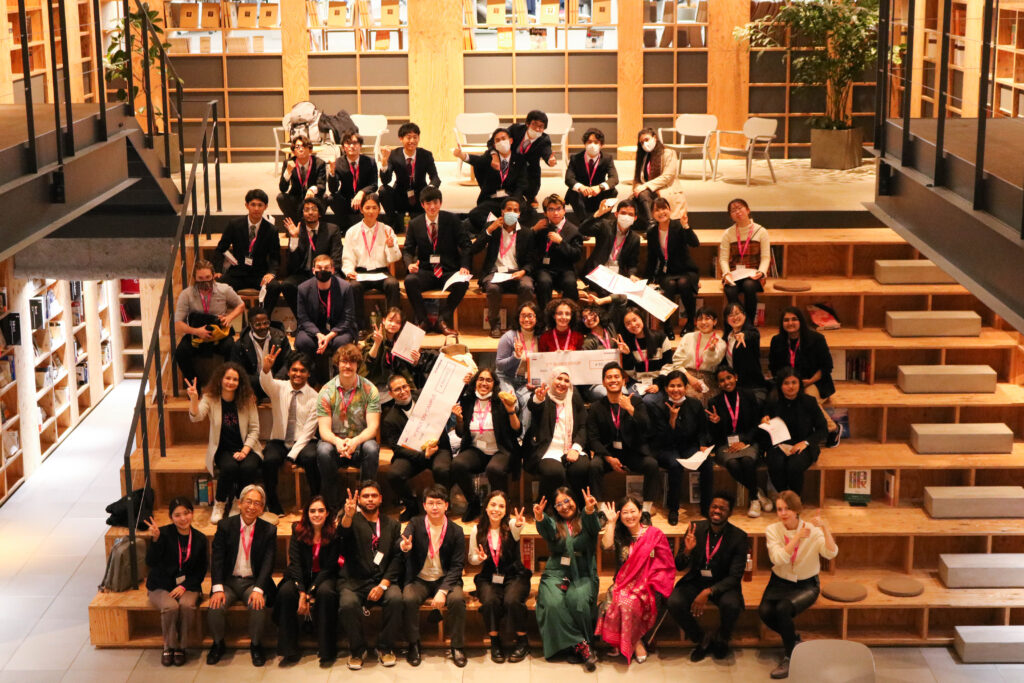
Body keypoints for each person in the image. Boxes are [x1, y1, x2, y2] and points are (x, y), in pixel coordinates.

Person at [761, 491, 838, 679]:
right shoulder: (772, 530)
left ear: (796, 510)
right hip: (780, 580)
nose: (783, 513)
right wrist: (796, 538)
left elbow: (830, 553)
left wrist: (826, 530)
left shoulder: (812, 530)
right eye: (779, 509)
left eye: (787, 509)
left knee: (782, 609)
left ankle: (790, 656)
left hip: (806, 583)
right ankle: (794, 640)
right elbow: (778, 559)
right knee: (764, 611)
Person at [666, 491, 748, 663]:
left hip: (723, 583)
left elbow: (734, 577)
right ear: (709, 508)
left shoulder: (739, 537)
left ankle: (722, 638)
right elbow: (679, 565)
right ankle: (701, 638)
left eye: (722, 509)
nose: (717, 511)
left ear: (730, 512)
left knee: (732, 605)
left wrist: (708, 592)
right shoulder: (695, 528)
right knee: (674, 601)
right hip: (696, 580)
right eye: (714, 507)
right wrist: (687, 551)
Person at [595, 495, 675, 664]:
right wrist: (610, 523)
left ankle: (635, 642)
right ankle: (634, 642)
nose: (629, 516)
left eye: (633, 511)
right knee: (612, 604)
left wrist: (648, 582)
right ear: (620, 515)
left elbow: (665, 563)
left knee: (627, 603)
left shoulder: (654, 534)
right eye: (625, 512)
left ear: (640, 513)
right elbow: (605, 546)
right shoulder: (619, 534)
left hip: (648, 584)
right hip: (622, 583)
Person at [206, 484, 277, 667]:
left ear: (262, 509)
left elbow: (268, 563)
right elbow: (217, 559)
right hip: (228, 581)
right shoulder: (225, 526)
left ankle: (256, 645)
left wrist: (260, 589)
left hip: (252, 581)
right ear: (240, 502)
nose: (252, 507)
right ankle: (218, 644)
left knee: (258, 604)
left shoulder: (268, 530)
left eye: (257, 504)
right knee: (214, 606)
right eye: (248, 501)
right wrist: (217, 588)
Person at [337, 482, 405, 669]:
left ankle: (384, 647)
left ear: (381, 499)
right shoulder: (351, 520)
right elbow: (342, 534)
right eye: (365, 496)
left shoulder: (392, 524)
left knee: (396, 599)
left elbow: (397, 558)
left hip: (382, 579)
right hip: (353, 580)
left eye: (374, 496)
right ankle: (358, 650)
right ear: (359, 499)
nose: (370, 499)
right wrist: (348, 516)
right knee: (348, 604)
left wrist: (383, 585)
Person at [399, 484, 468, 668]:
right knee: (408, 598)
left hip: (445, 578)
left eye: (439, 503)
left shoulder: (456, 531)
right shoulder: (415, 523)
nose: (435, 507)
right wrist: (404, 547)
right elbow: (403, 540)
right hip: (420, 578)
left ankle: (457, 646)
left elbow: (457, 566)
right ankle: (414, 644)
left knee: (457, 599)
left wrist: (444, 590)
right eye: (431, 503)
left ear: (446, 505)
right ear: (424, 505)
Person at [534, 486, 601, 671]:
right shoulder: (554, 524)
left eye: (567, 501)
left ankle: (577, 645)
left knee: (577, 600)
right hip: (557, 571)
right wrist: (539, 517)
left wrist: (589, 509)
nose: (564, 506)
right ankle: (582, 645)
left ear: (574, 500)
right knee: (552, 603)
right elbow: (546, 528)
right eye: (558, 504)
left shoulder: (586, 519)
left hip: (583, 572)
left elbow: (594, 527)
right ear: (554, 508)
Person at [186, 362, 261, 524]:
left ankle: (237, 502)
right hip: (223, 448)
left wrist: (245, 451)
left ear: (240, 382)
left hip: (247, 447)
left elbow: (255, 429)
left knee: (248, 467)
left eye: (235, 379)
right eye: (228, 378)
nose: (231, 382)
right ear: (220, 379)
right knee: (230, 467)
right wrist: (193, 400)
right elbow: (196, 417)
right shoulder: (210, 398)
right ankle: (220, 504)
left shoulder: (247, 399)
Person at [143, 497, 209, 667]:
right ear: (171, 517)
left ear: (192, 514)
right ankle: (168, 646)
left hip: (188, 584)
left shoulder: (200, 539)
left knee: (187, 606)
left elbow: (201, 570)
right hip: (161, 584)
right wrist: (156, 540)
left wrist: (184, 586)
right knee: (171, 607)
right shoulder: (162, 534)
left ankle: (181, 647)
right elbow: (150, 562)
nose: (183, 518)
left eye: (186, 513)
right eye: (177, 515)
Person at [468, 491, 532, 663]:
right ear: (486, 507)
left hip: (514, 575)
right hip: (489, 576)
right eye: (493, 505)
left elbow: (518, 531)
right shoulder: (477, 529)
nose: (496, 509)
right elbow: (471, 559)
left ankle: (523, 640)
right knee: (489, 600)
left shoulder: (511, 524)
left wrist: (519, 525)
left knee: (511, 600)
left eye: (501, 506)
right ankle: (495, 642)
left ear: (506, 510)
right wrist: (478, 559)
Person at [315, 344, 381, 510]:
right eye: (344, 361)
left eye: (352, 362)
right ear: (337, 363)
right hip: (335, 443)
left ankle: (365, 503)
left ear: (357, 364)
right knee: (323, 450)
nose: (348, 366)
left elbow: (373, 428)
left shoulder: (369, 389)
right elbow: (324, 431)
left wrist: (355, 441)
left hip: (359, 444)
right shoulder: (326, 391)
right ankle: (333, 505)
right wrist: (338, 442)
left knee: (372, 448)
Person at [276, 496, 340, 666]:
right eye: (312, 511)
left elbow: (330, 567)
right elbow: (295, 562)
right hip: (300, 575)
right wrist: (302, 592)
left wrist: (311, 590)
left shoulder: (334, 534)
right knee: (285, 592)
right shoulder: (297, 529)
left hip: (324, 576)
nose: (316, 514)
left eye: (320, 510)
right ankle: (288, 648)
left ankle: (327, 650)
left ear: (327, 514)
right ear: (306, 513)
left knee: (326, 593)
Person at [451, 367, 520, 522]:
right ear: (475, 382)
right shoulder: (468, 401)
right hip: (477, 449)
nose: (484, 383)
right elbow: (461, 433)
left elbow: (517, 430)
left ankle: (502, 507)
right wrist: (459, 420)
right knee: (457, 464)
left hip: (500, 450)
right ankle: (474, 503)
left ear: (494, 384)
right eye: (481, 379)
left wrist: (511, 411)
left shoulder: (501, 401)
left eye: (488, 380)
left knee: (494, 469)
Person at [381, 373, 453, 521]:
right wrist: (423, 455)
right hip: (412, 455)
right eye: (397, 389)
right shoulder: (389, 419)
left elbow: (448, 391)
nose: (402, 391)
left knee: (442, 469)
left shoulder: (425, 397)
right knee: (394, 474)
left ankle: (445, 504)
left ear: (409, 386)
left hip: (438, 448)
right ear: (390, 394)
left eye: (404, 386)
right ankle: (411, 504)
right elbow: (397, 448)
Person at [402, 187, 472, 335]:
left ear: (440, 203)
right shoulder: (415, 224)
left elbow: (466, 245)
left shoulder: (452, 220)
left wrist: (464, 266)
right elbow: (408, 250)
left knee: (464, 281)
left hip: (448, 270)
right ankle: (424, 321)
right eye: (428, 203)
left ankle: (442, 320)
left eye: (435, 202)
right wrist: (410, 264)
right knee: (409, 281)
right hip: (427, 271)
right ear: (422, 205)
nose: (432, 206)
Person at [587, 363, 656, 508]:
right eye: (609, 377)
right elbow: (593, 438)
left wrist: (630, 409)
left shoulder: (636, 402)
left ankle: (646, 510)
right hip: (608, 453)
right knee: (594, 466)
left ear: (623, 380)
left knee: (651, 464)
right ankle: (600, 509)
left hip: (632, 451)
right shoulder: (595, 407)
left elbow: (648, 428)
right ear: (603, 382)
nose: (613, 380)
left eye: (617, 377)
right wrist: (609, 458)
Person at [259, 349, 319, 515]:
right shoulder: (278, 387)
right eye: (294, 370)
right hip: (279, 440)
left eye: (302, 371)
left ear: (308, 374)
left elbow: (308, 431)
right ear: (288, 371)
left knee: (311, 457)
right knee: (269, 460)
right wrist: (265, 369)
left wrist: (291, 456)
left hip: (304, 442)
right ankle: (273, 502)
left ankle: (316, 500)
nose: (297, 374)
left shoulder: (315, 397)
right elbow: (265, 383)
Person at [768, 306, 840, 445]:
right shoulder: (777, 341)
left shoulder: (817, 339)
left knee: (806, 397)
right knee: (773, 398)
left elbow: (827, 366)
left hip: (815, 382)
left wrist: (810, 380)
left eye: (794, 319)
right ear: (782, 324)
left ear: (801, 321)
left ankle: (832, 428)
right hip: (788, 383)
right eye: (786, 320)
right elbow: (774, 367)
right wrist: (785, 383)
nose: (790, 323)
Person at [707, 365, 771, 518]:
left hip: (748, 440)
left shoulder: (748, 395)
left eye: (729, 378)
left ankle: (753, 498)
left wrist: (744, 441)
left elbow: (757, 423)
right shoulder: (714, 402)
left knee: (748, 461)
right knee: (733, 464)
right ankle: (756, 494)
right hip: (724, 443)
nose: (726, 382)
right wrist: (715, 423)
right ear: (718, 384)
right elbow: (714, 435)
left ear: (735, 377)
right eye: (722, 380)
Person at [264, 198, 344, 319]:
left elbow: (336, 258)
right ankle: (302, 320)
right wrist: (294, 238)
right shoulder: (297, 231)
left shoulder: (332, 230)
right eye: (306, 210)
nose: (310, 212)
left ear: (320, 213)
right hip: (303, 273)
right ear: (302, 213)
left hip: (324, 271)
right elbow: (292, 265)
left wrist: (328, 272)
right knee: (287, 285)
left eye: (313, 209)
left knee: (337, 284)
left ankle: (331, 320)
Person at [647, 370, 709, 524]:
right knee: (675, 465)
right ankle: (673, 509)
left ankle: (706, 506)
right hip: (666, 448)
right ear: (666, 388)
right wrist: (672, 420)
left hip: (688, 446)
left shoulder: (695, 404)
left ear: (686, 387)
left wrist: (702, 446)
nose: (676, 389)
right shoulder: (658, 406)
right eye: (672, 386)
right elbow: (663, 438)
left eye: (679, 386)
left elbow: (702, 429)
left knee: (707, 463)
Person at [471, 196, 536, 338]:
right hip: (495, 272)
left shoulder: (526, 233)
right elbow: (474, 249)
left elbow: (532, 260)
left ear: (519, 214)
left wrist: (523, 271)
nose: (512, 212)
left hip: (517, 273)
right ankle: (495, 325)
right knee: (493, 289)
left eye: (515, 210)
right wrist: (490, 229)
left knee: (527, 286)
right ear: (502, 212)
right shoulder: (493, 229)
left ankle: (521, 325)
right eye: (509, 210)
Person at [173, 260, 244, 385]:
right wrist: (196, 331)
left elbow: (241, 305)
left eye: (207, 277)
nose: (204, 281)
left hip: (219, 333)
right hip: (197, 334)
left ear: (213, 276)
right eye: (200, 278)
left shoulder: (225, 289)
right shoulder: (186, 294)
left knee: (232, 348)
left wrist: (229, 317)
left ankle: (226, 383)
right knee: (180, 352)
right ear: (195, 278)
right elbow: (177, 324)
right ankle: (194, 385)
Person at [525, 367, 590, 504]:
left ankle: (578, 505)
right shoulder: (544, 395)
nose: (562, 383)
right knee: (554, 472)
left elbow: (584, 426)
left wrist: (576, 448)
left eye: (566, 380)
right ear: (552, 379)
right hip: (548, 449)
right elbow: (534, 406)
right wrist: (538, 398)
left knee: (581, 467)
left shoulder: (574, 396)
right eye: (559, 378)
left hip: (571, 447)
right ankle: (543, 505)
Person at [761, 368, 827, 498]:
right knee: (775, 464)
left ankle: (794, 501)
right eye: (786, 383)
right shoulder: (773, 402)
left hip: (803, 445)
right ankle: (783, 497)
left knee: (794, 466)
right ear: (780, 385)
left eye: (794, 382)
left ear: (799, 384)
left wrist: (806, 443)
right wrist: (764, 420)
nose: (790, 386)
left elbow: (822, 429)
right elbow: (765, 419)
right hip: (779, 445)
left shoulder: (809, 402)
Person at [341, 193, 402, 331]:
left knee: (393, 284)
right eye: (367, 208)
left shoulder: (387, 230)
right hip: (360, 273)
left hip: (381, 272)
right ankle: (359, 327)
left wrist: (391, 246)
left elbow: (394, 258)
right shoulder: (352, 231)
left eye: (374, 208)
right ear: (361, 209)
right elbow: (347, 257)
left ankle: (392, 325)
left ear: (379, 210)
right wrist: (349, 271)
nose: (371, 211)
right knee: (353, 287)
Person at [453, 127, 528, 233]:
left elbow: (522, 184)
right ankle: (497, 229)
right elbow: (477, 161)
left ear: (510, 141)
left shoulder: (520, 160)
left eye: (504, 138)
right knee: (475, 215)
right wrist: (462, 155)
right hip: (493, 200)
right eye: (497, 140)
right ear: (494, 145)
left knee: (527, 212)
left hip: (512, 198)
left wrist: (513, 201)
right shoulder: (490, 157)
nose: (501, 142)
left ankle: (501, 227)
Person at [295, 254, 357, 379]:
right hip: (314, 329)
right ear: (313, 270)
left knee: (342, 342)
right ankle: (311, 378)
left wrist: (330, 336)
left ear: (333, 270)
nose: (323, 271)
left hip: (339, 329)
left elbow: (348, 318)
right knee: (303, 341)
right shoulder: (303, 288)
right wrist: (318, 334)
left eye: (327, 268)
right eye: (319, 268)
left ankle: (338, 378)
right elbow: (303, 318)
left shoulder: (345, 287)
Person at [646, 196, 700, 335]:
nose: (661, 212)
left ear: (670, 210)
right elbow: (652, 258)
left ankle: (690, 322)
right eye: (657, 210)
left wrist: (686, 226)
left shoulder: (678, 226)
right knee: (669, 285)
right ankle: (667, 324)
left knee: (683, 283)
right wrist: (646, 279)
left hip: (686, 270)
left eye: (664, 208)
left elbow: (695, 243)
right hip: (667, 271)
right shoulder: (652, 232)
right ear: (653, 214)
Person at [214, 189, 280, 293]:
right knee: (217, 285)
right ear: (247, 205)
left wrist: (271, 273)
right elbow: (221, 249)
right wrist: (217, 270)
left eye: (260, 205)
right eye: (253, 205)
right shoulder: (234, 225)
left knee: (274, 287)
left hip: (259, 274)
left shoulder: (271, 230)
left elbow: (274, 256)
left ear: (265, 207)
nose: (256, 208)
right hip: (237, 273)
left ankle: (263, 310)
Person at [378, 122, 441, 231]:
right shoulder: (394, 155)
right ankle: (392, 221)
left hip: (420, 195)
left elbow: (435, 177)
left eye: (415, 137)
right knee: (383, 190)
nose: (412, 141)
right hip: (400, 194)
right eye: (408, 137)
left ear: (419, 138)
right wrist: (384, 162)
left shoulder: (426, 155)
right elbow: (385, 180)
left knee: (434, 192)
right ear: (401, 138)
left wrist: (430, 189)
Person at [718, 198, 770, 323]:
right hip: (734, 274)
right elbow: (723, 259)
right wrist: (726, 273)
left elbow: (765, 257)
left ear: (748, 210)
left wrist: (762, 272)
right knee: (731, 290)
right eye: (733, 210)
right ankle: (737, 322)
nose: (737, 212)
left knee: (749, 285)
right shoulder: (728, 233)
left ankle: (749, 323)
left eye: (740, 208)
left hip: (754, 274)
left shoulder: (761, 231)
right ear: (731, 216)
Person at [495, 301, 543, 434]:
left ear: (536, 317)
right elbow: (499, 365)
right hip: (507, 378)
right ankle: (506, 438)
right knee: (512, 404)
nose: (526, 319)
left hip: (527, 382)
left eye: (530, 316)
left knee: (530, 403)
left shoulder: (541, 337)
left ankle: (523, 439)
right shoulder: (509, 337)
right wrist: (515, 356)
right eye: (523, 316)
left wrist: (535, 383)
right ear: (518, 318)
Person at [665, 306, 727, 405]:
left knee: (709, 403)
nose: (703, 322)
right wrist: (690, 378)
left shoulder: (720, 342)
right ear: (696, 322)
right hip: (686, 375)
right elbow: (676, 362)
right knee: (682, 400)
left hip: (708, 379)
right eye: (700, 319)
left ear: (714, 322)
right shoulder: (688, 337)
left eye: (707, 318)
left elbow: (713, 361)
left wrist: (711, 350)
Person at [531, 194, 584, 309]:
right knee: (543, 282)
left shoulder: (574, 230)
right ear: (545, 213)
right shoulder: (541, 227)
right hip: (545, 268)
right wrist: (533, 230)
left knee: (570, 283)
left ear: (564, 211)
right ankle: (546, 319)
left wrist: (561, 242)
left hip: (565, 268)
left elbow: (576, 256)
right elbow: (526, 244)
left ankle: (569, 317)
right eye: (551, 209)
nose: (555, 213)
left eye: (559, 209)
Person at [230, 306, 290, 401]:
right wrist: (260, 382)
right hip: (253, 385)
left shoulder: (281, 339)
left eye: (266, 323)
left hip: (277, 382)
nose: (263, 327)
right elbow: (238, 370)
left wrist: (277, 379)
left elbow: (288, 362)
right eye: (258, 324)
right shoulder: (240, 345)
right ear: (250, 325)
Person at [631, 128, 687, 229]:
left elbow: (667, 177)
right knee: (634, 199)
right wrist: (638, 187)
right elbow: (638, 179)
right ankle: (651, 223)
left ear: (655, 138)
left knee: (643, 193)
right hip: (648, 191)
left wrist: (645, 186)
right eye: (642, 142)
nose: (645, 144)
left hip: (665, 188)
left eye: (647, 140)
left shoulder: (668, 153)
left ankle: (653, 224)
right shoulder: (644, 157)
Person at [580, 199, 642, 288]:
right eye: (623, 213)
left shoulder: (635, 238)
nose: (626, 216)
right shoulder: (605, 226)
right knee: (607, 290)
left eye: (630, 214)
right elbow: (582, 230)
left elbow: (633, 264)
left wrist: (632, 275)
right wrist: (598, 214)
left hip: (617, 275)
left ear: (635, 218)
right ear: (616, 214)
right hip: (597, 272)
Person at [616, 307, 674, 398]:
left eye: (635, 320)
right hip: (638, 383)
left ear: (641, 318)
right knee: (632, 399)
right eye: (628, 323)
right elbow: (631, 373)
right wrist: (627, 354)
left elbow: (668, 365)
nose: (633, 325)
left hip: (659, 382)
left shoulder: (661, 338)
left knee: (649, 400)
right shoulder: (627, 343)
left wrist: (658, 385)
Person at [360, 307, 419, 396]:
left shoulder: (402, 340)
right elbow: (369, 361)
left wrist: (415, 360)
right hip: (375, 378)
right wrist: (377, 343)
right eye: (390, 320)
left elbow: (406, 366)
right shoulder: (374, 337)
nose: (393, 324)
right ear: (384, 320)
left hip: (394, 378)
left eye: (397, 322)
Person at [327, 130, 379, 229]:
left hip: (364, 199)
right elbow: (333, 189)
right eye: (348, 143)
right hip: (346, 200)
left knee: (374, 196)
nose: (352, 146)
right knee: (332, 198)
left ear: (360, 146)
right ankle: (344, 226)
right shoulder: (338, 163)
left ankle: (370, 225)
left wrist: (362, 192)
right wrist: (332, 171)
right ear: (343, 147)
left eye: (355, 143)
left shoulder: (370, 162)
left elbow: (374, 184)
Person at [564, 127, 618, 218]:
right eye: (589, 142)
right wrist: (581, 187)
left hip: (597, 194)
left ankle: (602, 220)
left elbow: (614, 178)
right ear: (584, 144)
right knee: (573, 192)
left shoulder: (607, 158)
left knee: (613, 191)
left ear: (601, 145)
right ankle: (584, 223)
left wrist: (600, 187)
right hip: (581, 196)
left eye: (596, 142)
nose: (592, 145)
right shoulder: (575, 158)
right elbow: (568, 179)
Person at [509, 109, 557, 207]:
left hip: (530, 168)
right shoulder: (515, 129)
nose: (537, 129)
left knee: (532, 187)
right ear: (527, 123)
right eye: (534, 124)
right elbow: (497, 138)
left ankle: (530, 196)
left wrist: (550, 160)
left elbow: (546, 151)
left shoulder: (544, 139)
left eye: (541, 127)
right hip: (512, 164)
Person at [723, 302, 768, 402]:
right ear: (726, 319)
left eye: (738, 313)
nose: (735, 317)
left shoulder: (751, 333)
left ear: (744, 315)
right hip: (733, 385)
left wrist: (743, 335)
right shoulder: (727, 337)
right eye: (731, 315)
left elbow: (754, 334)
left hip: (752, 386)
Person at [278, 134, 327, 222]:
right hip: (296, 197)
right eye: (297, 147)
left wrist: (312, 190)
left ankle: (317, 225)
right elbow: (283, 189)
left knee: (325, 197)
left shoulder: (319, 163)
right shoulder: (288, 163)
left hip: (313, 198)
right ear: (293, 151)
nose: (301, 149)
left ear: (310, 150)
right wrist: (288, 171)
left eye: (304, 146)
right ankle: (293, 224)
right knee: (281, 197)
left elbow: (322, 186)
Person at [580, 303, 618, 400]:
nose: (588, 318)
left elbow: (622, 301)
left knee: (625, 393)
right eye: (584, 317)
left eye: (591, 314)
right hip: (596, 383)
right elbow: (585, 369)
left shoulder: (610, 328)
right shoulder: (588, 341)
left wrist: (602, 300)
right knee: (608, 394)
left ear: (599, 313)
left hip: (614, 378)